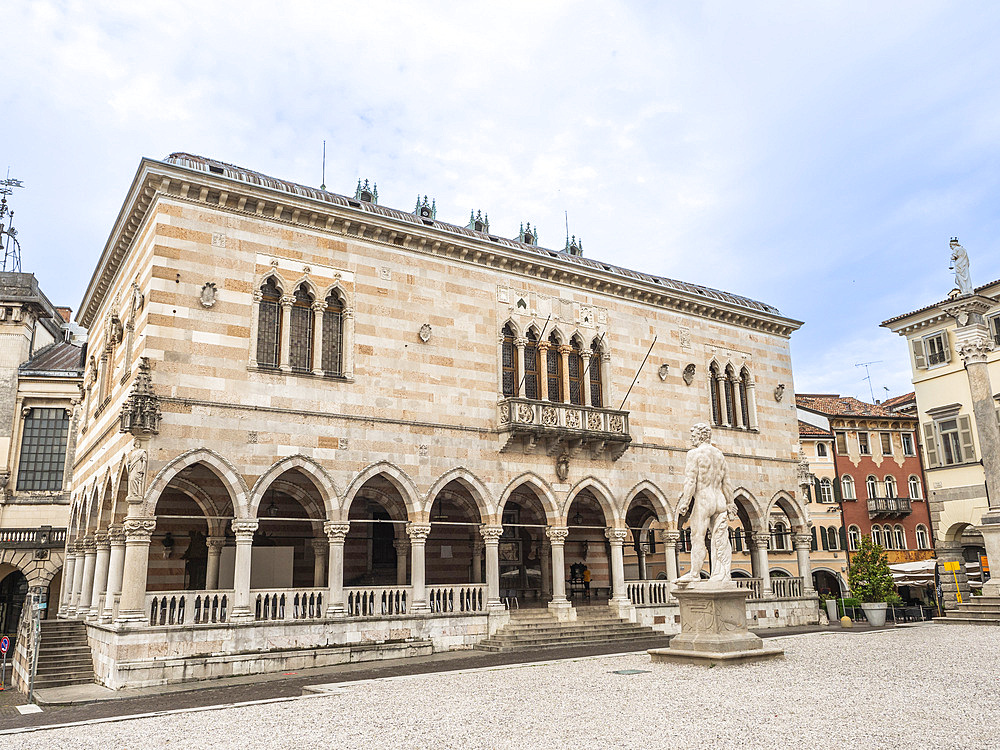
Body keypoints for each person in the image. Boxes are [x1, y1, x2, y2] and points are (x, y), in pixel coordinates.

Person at [675, 423, 737, 583]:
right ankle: (722, 573)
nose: (691, 438)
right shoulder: (719, 455)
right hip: (720, 500)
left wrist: (685, 501)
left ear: (701, 436)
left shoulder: (694, 454)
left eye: (693, 435)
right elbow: (727, 483)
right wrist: (730, 503)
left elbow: (690, 480)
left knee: (697, 537)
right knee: (720, 539)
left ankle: (695, 574)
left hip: (704, 500)